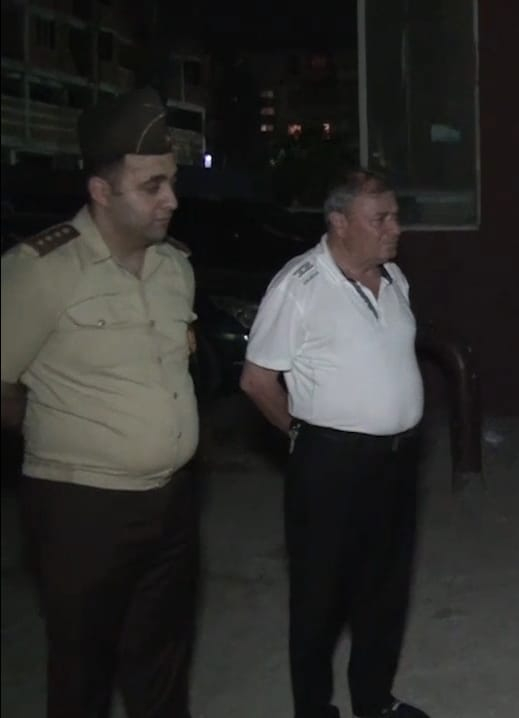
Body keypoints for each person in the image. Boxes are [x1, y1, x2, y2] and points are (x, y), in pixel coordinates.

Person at [0, 86, 199, 717]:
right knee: (82, 675)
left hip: (171, 501)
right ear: (100, 191)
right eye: (151, 186)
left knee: (162, 667)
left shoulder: (175, 268)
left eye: (171, 182)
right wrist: (66, 431)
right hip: (81, 509)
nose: (171, 199)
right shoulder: (40, 270)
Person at [239, 170, 429, 718]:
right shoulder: (299, 285)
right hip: (331, 463)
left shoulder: (394, 278)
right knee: (320, 596)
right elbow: (257, 380)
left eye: (395, 216)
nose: (395, 229)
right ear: (339, 223)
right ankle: (314, 709)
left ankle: (374, 700)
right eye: (380, 219)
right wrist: (302, 435)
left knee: (385, 589)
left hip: (396, 460)